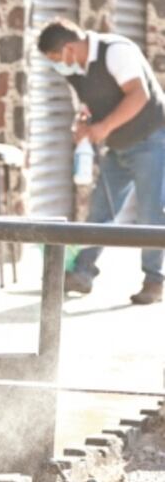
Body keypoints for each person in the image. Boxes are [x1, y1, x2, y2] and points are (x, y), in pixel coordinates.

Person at [37, 18, 165, 305]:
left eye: (56, 59)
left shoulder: (116, 51)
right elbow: (87, 105)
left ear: (70, 48)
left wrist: (103, 127)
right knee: (100, 209)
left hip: (151, 139)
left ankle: (154, 280)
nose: (57, 66)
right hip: (117, 146)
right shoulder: (76, 70)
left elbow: (139, 94)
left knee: (151, 213)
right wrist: (83, 125)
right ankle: (82, 273)